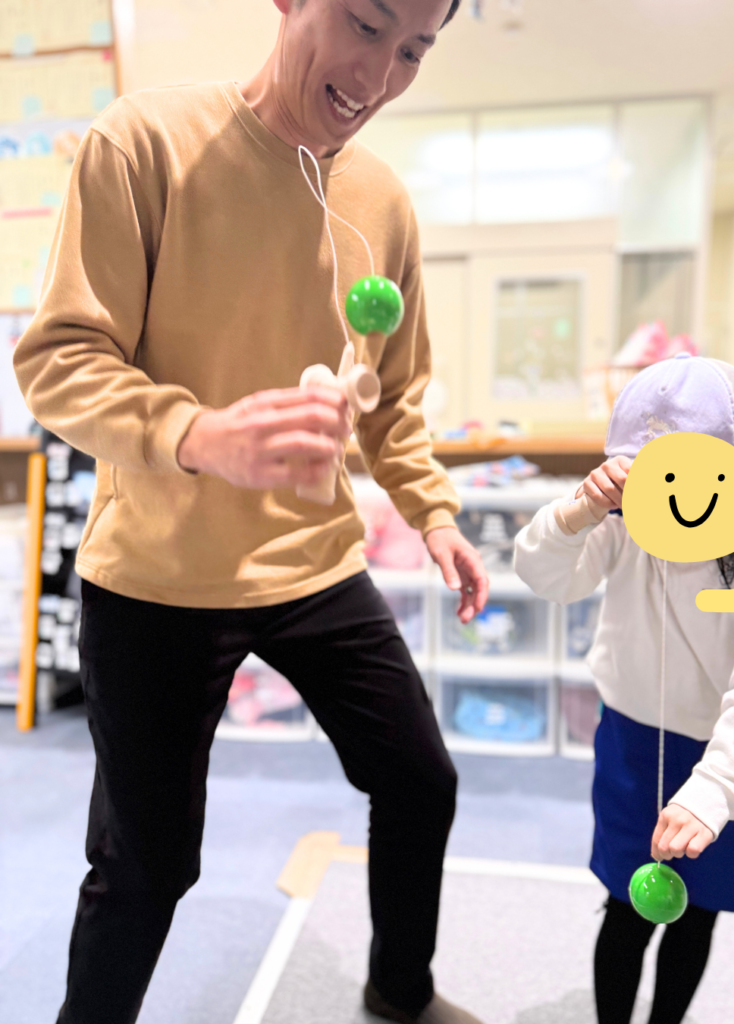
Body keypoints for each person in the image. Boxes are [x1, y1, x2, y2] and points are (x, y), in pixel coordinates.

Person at [13, 1, 492, 1022]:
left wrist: (434, 514)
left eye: (415, 49)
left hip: (315, 564)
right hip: (156, 574)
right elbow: (58, 361)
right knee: (145, 866)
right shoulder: (143, 143)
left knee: (420, 780)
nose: (381, 74)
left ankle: (399, 992)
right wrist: (197, 433)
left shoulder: (382, 202)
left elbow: (392, 399)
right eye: (365, 24)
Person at [514, 354, 734, 1024]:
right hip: (633, 744)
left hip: (727, 758)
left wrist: (718, 788)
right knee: (626, 906)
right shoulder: (621, 527)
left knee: (698, 912)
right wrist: (576, 513)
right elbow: (545, 576)